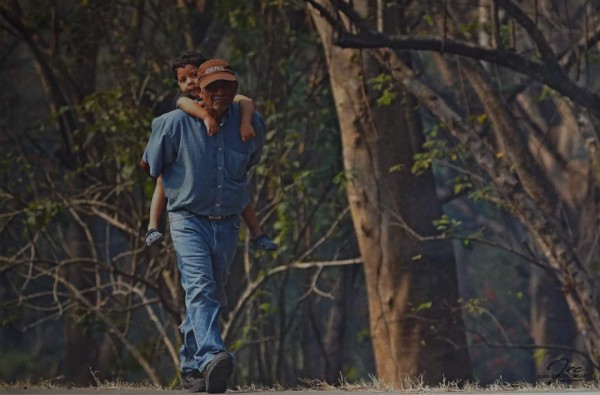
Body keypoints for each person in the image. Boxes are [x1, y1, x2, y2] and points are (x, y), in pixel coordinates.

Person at [141, 59, 264, 393]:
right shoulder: (173, 123)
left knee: (214, 295)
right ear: (200, 91)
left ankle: (193, 370)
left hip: (226, 225)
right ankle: (213, 355)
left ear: (236, 89)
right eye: (213, 87)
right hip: (187, 220)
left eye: (227, 86)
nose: (220, 92)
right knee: (200, 288)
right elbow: (152, 166)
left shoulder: (250, 124)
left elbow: (246, 169)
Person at [144, 51, 277, 252]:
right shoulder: (182, 108)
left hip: (226, 210)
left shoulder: (233, 104)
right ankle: (152, 226)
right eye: (183, 79)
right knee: (164, 179)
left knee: (236, 186)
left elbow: (245, 101)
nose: (190, 82)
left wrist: (245, 123)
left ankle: (258, 233)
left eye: (195, 75)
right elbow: (185, 105)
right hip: (188, 214)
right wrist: (207, 118)